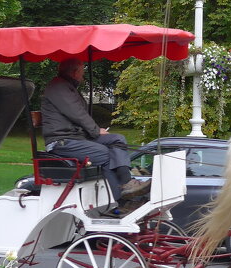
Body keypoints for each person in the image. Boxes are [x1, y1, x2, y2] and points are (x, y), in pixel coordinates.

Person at [40, 59, 149, 205]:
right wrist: (96, 131)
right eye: (82, 73)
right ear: (74, 72)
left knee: (118, 139)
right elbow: (77, 113)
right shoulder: (58, 87)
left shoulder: (66, 87)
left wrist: (95, 131)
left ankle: (127, 182)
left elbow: (79, 115)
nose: (83, 77)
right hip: (62, 141)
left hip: (76, 137)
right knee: (105, 154)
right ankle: (121, 200)